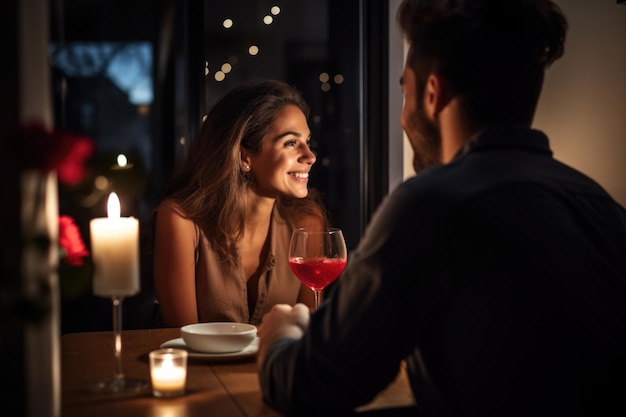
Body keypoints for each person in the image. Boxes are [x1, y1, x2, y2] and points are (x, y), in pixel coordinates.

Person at [256, 1, 626, 416]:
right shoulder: (603, 208)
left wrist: (281, 340)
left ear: (433, 95)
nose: (401, 116)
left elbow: (313, 385)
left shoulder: (430, 205)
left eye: (405, 92)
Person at [152, 80, 327, 328]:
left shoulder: (307, 222)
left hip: (273, 367)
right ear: (245, 157)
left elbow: (308, 334)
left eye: (307, 142)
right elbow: (182, 339)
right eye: (290, 143)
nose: (310, 156)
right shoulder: (180, 221)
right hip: (200, 367)